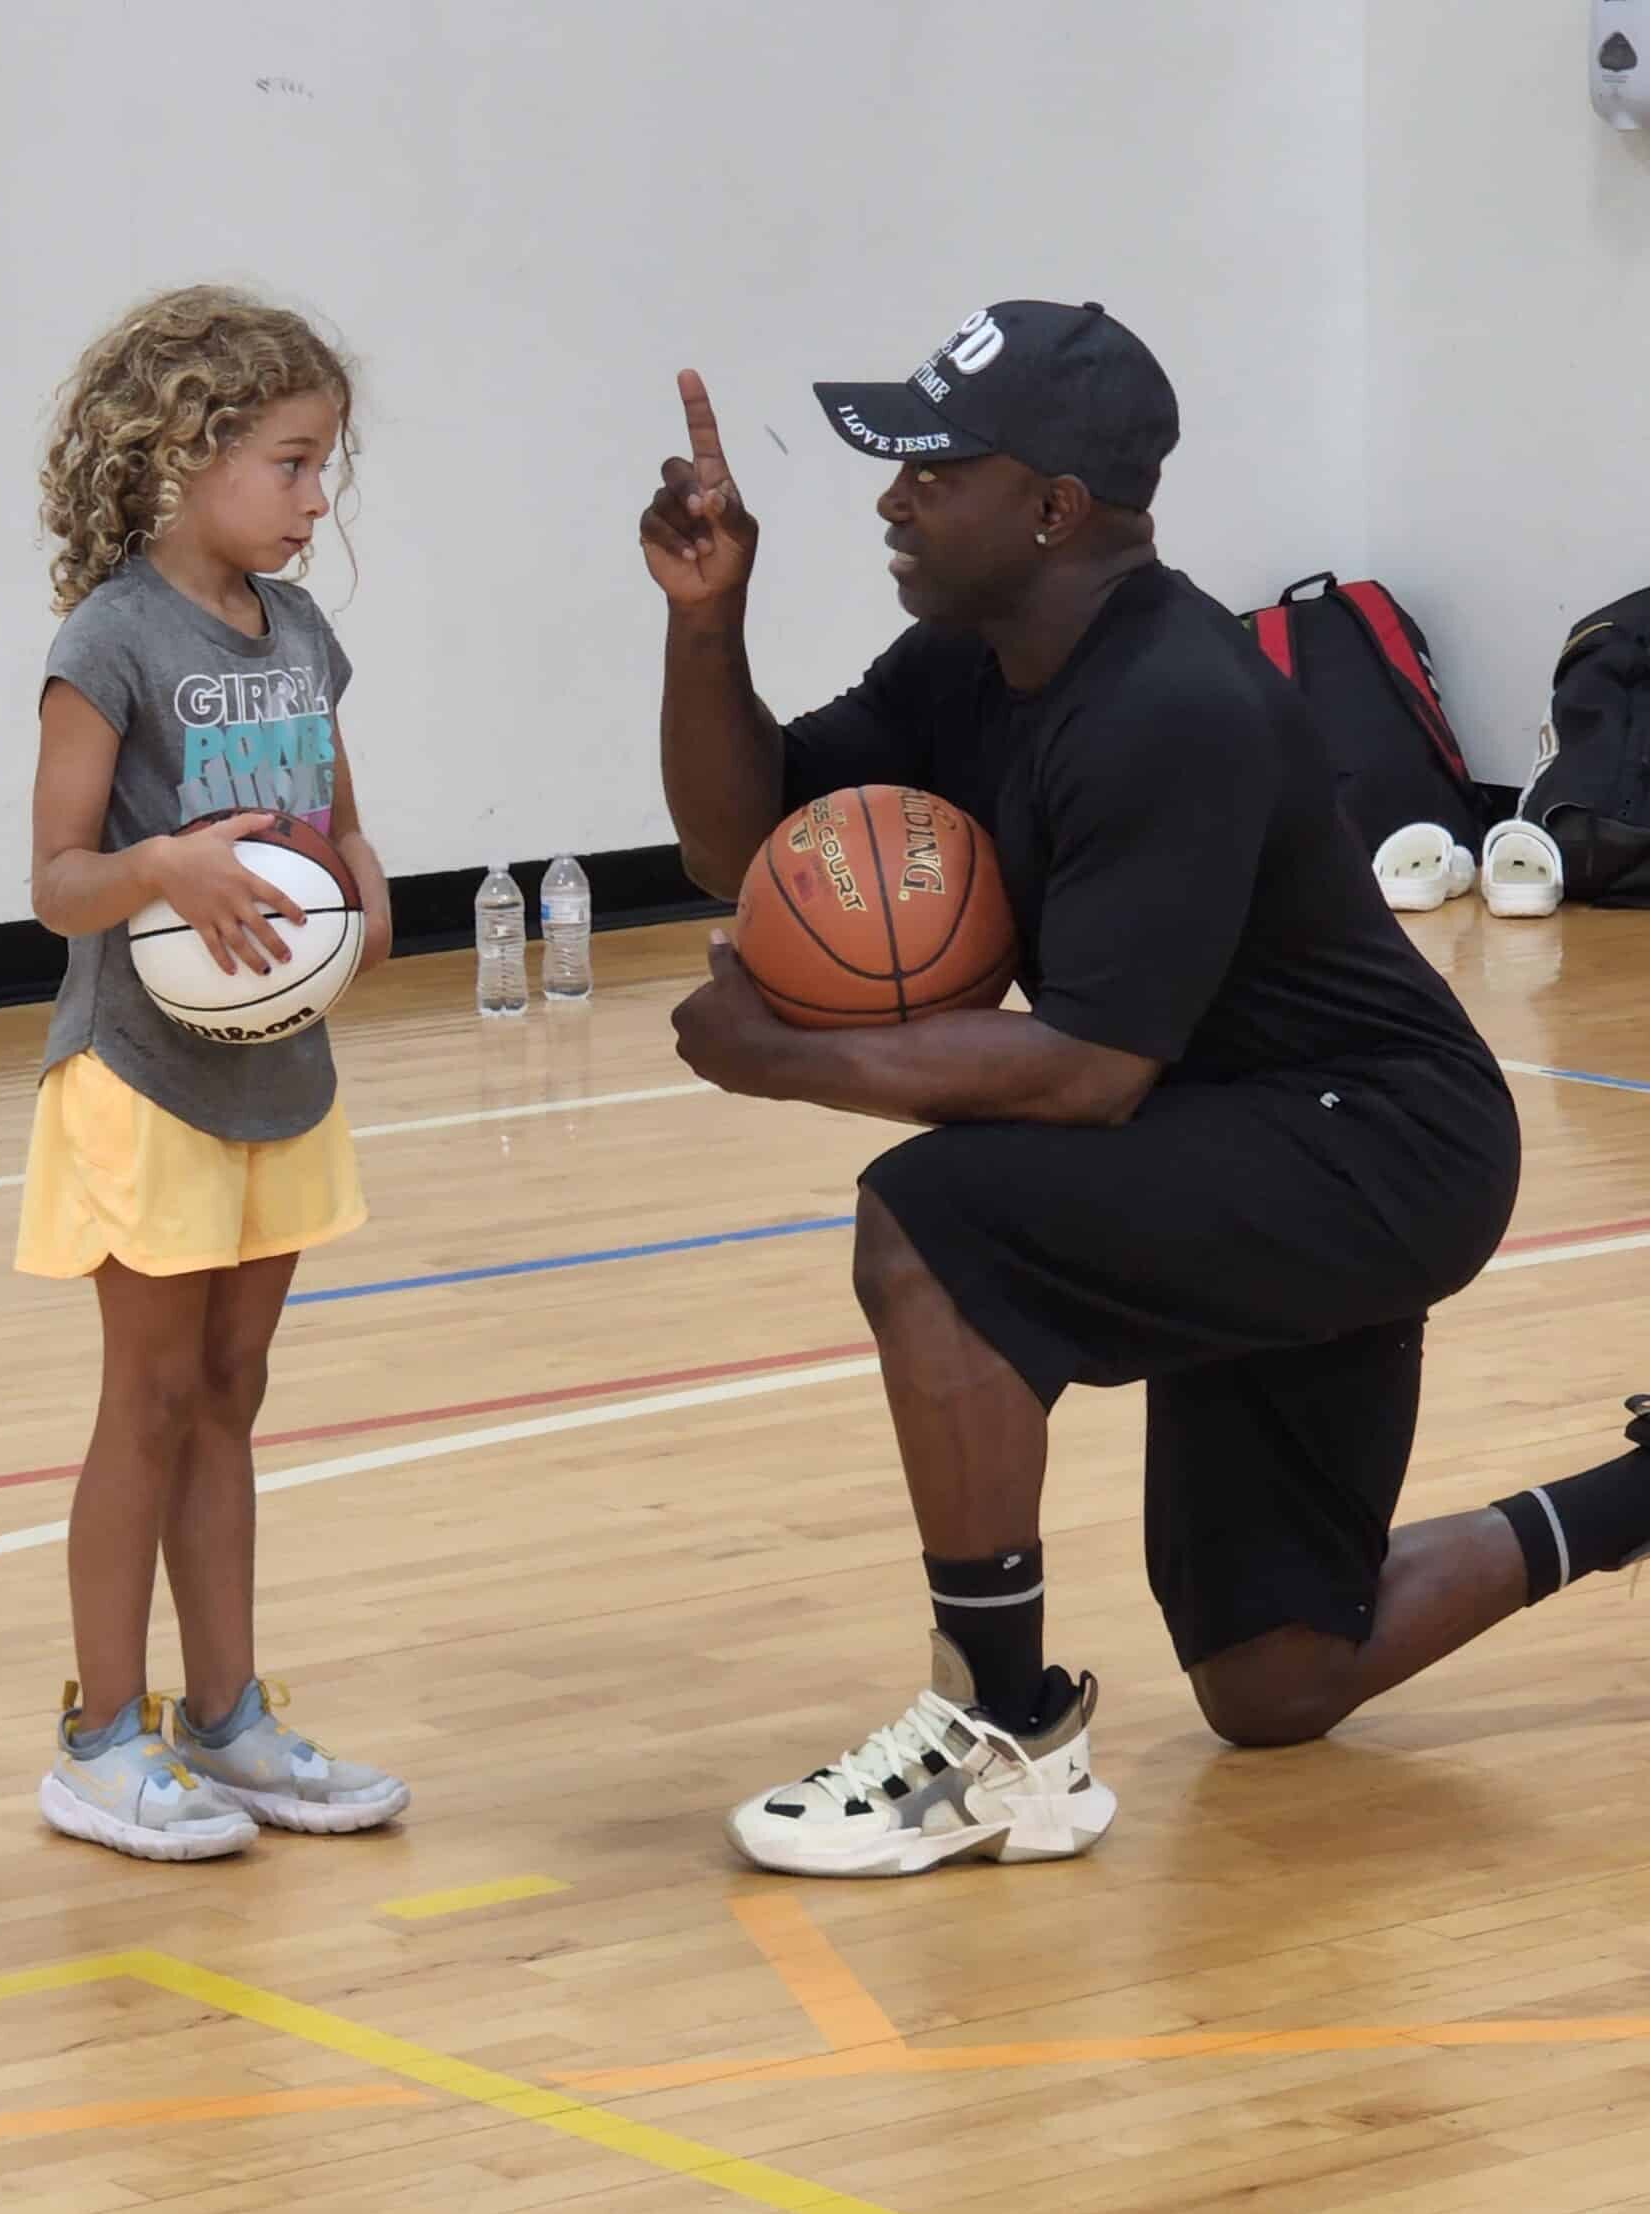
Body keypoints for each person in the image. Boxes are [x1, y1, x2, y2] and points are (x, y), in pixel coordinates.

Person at [644, 299, 1650, 1880]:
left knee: (931, 1223)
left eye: (930, 468)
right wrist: (710, 620)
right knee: (1277, 1682)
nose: (892, 496)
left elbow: (1088, 1067)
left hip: (1373, 1147)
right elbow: (739, 837)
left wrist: (789, 1062)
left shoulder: (1174, 706)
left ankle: (1003, 1730)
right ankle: (1643, 1496)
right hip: (1245, 1133)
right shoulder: (970, 661)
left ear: (1051, 509)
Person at [21, 284, 407, 1860]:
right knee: (154, 1393)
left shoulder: (303, 630)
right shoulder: (109, 637)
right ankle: (100, 1737)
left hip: (279, 1072)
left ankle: (227, 1716)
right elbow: (57, 877)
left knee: (234, 1395)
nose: (319, 501)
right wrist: (163, 865)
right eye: (295, 465)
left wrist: (373, 894)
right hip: (140, 1072)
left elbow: (337, 816)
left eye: (327, 469)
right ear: (186, 454)